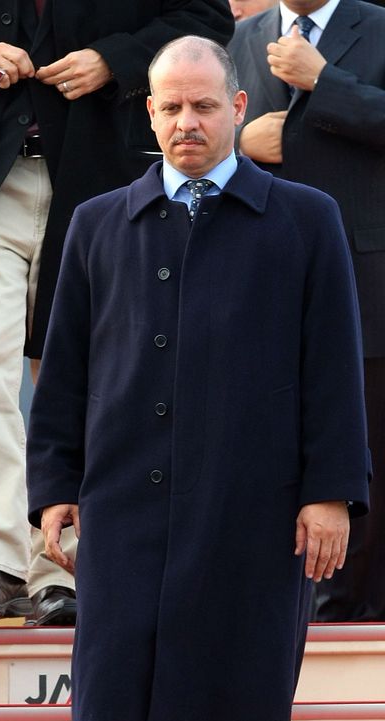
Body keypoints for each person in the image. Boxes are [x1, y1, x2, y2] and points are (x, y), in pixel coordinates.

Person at [26, 37, 369, 721]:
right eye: (170, 107)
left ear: (238, 104)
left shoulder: (304, 218)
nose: (187, 122)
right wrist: (54, 485)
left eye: (204, 106)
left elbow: (333, 364)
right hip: (124, 498)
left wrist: (332, 492)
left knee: (231, 692)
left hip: (254, 503)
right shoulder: (101, 222)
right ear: (148, 113)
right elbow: (64, 371)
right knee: (110, 689)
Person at [0, 0, 235, 626]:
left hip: (100, 175)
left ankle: (69, 566)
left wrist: (114, 61)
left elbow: (204, 16)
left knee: (89, 378)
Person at [229, 0, 385, 621]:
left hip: (365, 278)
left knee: (364, 443)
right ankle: (272, 606)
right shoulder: (240, 39)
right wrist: (240, 140)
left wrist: (325, 82)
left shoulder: (377, 28)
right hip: (259, 281)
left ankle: (352, 612)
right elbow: (198, 139)